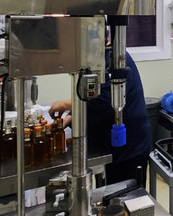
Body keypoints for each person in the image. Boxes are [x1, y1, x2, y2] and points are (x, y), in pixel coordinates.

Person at [50, 50, 153, 186]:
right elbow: (87, 95)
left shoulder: (115, 60)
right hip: (106, 145)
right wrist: (70, 117)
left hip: (128, 150)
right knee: (105, 194)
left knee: (123, 196)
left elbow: (104, 101)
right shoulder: (92, 61)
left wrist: (64, 104)